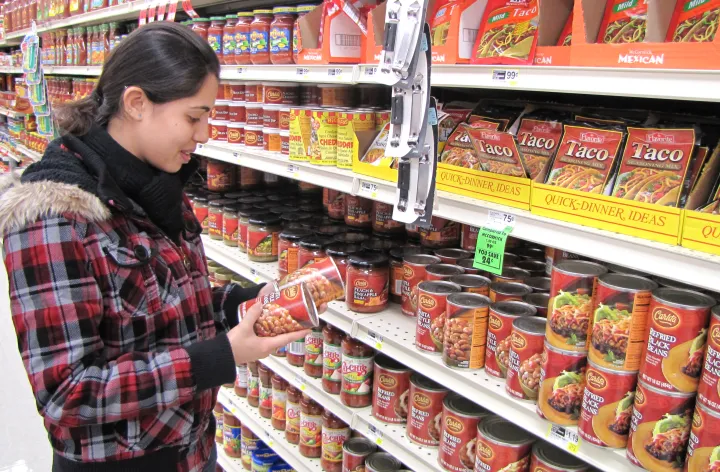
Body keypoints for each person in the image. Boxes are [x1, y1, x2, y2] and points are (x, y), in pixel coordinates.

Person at [0, 22, 310, 472]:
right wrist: (219, 357)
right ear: (136, 103)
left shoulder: (153, 182)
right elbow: (67, 393)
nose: (204, 134)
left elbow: (162, 300)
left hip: (194, 453)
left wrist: (246, 302)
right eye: (193, 116)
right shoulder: (53, 218)